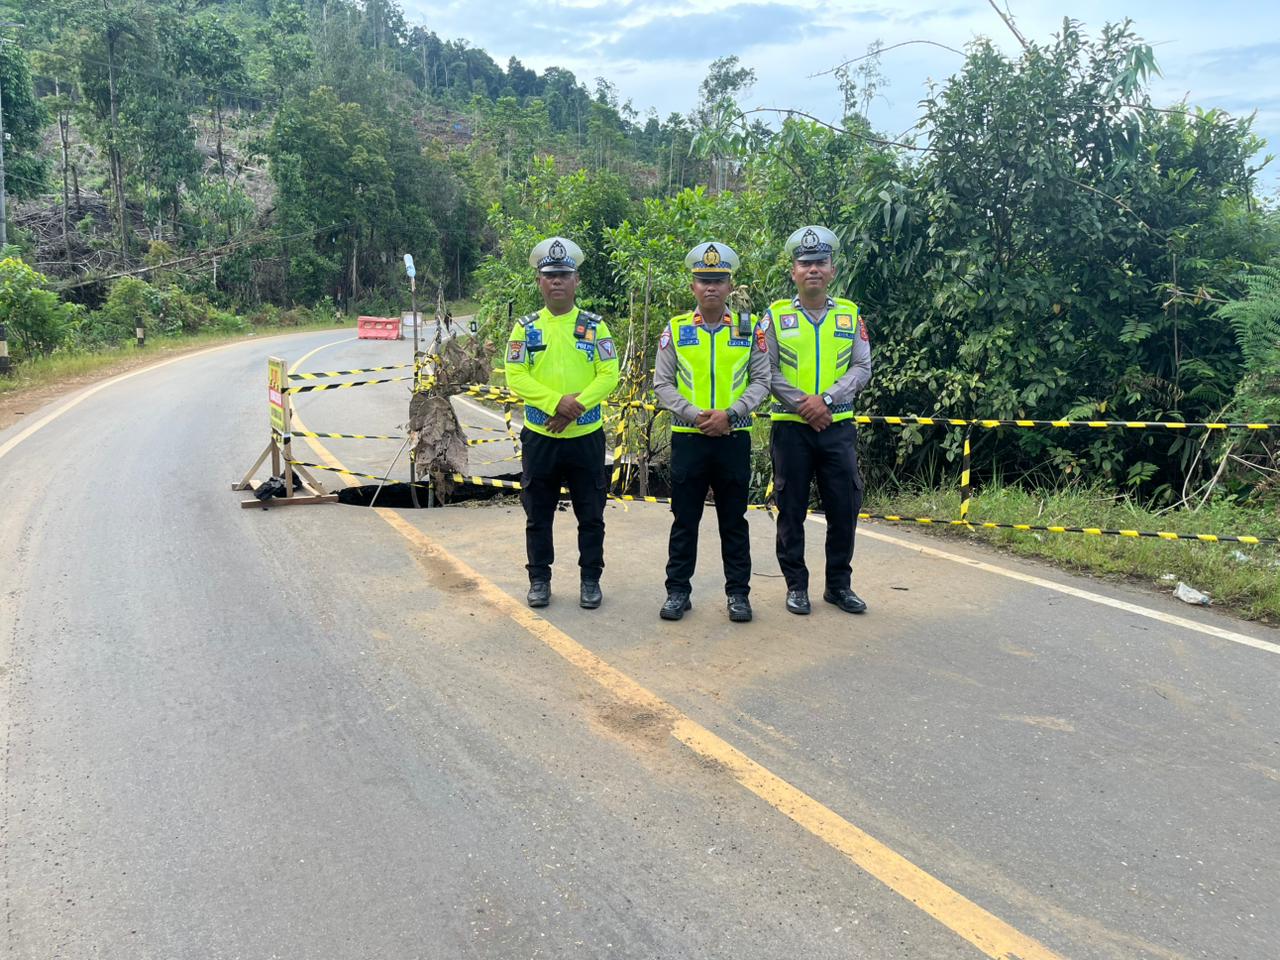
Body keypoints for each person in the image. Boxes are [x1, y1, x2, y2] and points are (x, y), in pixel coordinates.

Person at [652, 242, 771, 623]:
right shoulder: (676, 329)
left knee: (734, 521)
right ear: (693, 287)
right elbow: (662, 383)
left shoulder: (748, 328)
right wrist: (694, 414)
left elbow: (762, 380)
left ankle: (738, 595)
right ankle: (677, 592)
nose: (711, 288)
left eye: (718, 281)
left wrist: (731, 414)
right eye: (704, 281)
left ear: (730, 286)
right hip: (689, 438)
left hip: (733, 438)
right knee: (684, 520)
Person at [504, 237, 620, 609]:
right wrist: (556, 402)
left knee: (591, 515)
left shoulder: (594, 326)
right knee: (538, 515)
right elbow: (515, 375)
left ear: (576, 280)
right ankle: (539, 579)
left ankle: (590, 580)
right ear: (539, 281)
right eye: (550, 275)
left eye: (564, 275)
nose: (557, 281)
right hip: (541, 438)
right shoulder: (525, 328)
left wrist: (575, 407)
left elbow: (609, 374)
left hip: (585, 437)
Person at [761, 225, 872, 615]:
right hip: (791, 429)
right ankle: (796, 586)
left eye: (820, 263)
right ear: (793, 271)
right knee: (790, 508)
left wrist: (825, 400)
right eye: (805, 263)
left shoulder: (849, 315)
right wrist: (803, 405)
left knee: (844, 507)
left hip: (837, 427)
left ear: (832, 270)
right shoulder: (774, 317)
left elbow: (861, 367)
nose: (813, 269)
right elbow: (766, 370)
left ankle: (839, 586)